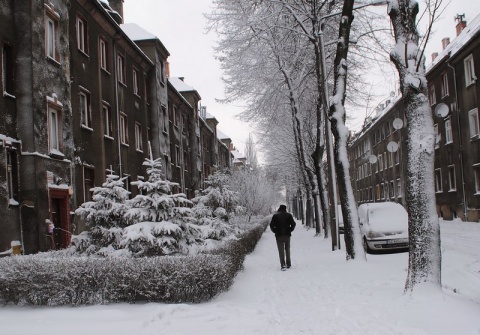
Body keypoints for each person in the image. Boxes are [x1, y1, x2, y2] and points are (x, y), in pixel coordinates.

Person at [269, 204, 296, 271]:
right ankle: (288, 264)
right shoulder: (289, 215)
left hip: (279, 235)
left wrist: (275, 231)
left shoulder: (275, 216)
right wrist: (290, 230)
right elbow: (293, 224)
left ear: (279, 209)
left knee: (281, 251)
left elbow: (271, 225)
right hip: (287, 235)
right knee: (287, 250)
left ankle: (283, 265)